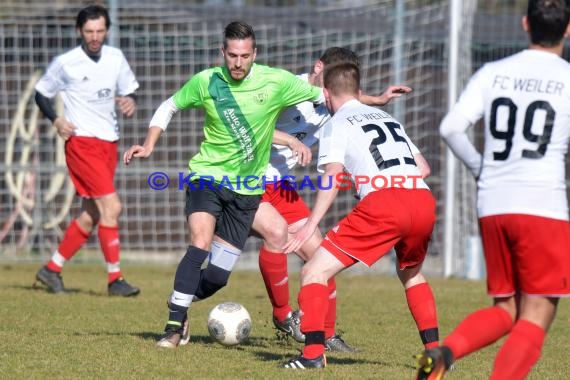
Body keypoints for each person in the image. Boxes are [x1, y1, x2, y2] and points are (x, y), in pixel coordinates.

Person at [123, 21, 324, 348]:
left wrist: (375, 99)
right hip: (207, 177)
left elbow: (331, 96)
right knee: (199, 241)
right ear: (223, 52)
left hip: (247, 189)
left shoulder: (274, 81)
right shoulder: (208, 81)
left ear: (254, 54)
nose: (238, 63)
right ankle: (173, 327)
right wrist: (148, 144)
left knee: (217, 277)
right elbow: (169, 106)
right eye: (232, 55)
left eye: (245, 56)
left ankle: (180, 302)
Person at [415, 1, 570, 379]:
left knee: (507, 309)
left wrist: (482, 169)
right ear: (567, 30)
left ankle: (443, 354)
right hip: (543, 203)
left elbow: (451, 128)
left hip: (494, 202)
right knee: (537, 314)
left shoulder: (493, 72)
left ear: (525, 24)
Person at [250, 47, 430, 351]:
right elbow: (251, 123)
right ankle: (282, 316)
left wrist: (377, 99)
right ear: (318, 68)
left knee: (320, 258)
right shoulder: (285, 88)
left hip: (280, 184)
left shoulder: (333, 105)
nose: (325, 96)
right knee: (253, 246)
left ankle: (326, 336)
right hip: (245, 178)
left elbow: (346, 100)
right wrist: (291, 139)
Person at [34, 4, 140, 297]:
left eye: (100, 31)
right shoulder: (66, 62)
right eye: (89, 31)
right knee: (112, 207)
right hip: (81, 144)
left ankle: (51, 269)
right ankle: (115, 279)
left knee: (92, 214)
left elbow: (130, 89)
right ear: (80, 31)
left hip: (109, 143)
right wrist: (56, 120)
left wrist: (130, 100)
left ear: (107, 30)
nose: (95, 37)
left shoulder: (115, 58)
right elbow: (40, 94)